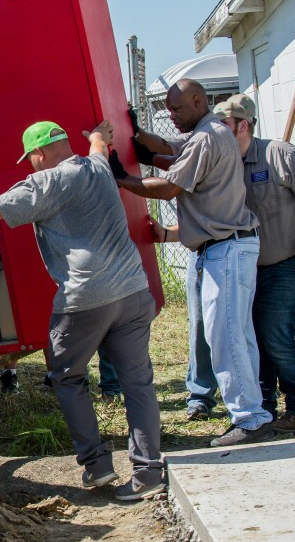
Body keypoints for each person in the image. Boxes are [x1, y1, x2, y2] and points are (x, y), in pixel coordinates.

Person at [0, 120, 164, 501]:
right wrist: (98, 134)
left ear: (38, 154)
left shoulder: (46, 182)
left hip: (85, 299)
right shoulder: (96, 166)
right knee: (138, 383)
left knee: (66, 375)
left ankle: (97, 466)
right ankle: (148, 473)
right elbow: (99, 146)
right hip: (132, 290)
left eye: (29, 158)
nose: (30, 164)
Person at [111, 78, 274, 447]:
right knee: (236, 336)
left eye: (178, 108)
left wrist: (121, 177)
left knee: (226, 336)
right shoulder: (207, 131)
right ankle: (254, 412)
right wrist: (135, 133)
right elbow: (166, 147)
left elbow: (169, 186)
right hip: (225, 249)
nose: (172, 115)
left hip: (226, 249)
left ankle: (249, 418)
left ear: (198, 101)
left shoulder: (207, 136)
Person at [210, 94, 295, 433]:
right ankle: (264, 410)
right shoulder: (223, 165)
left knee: (275, 335)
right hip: (245, 270)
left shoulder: (280, 154)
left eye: (223, 126)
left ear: (242, 125)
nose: (216, 133)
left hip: (287, 264)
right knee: (252, 340)